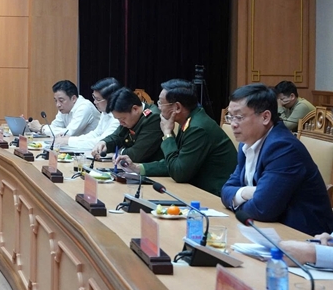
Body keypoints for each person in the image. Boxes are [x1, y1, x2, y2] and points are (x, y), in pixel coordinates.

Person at [220, 83, 333, 235]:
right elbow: (226, 190)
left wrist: (240, 201)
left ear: (265, 117)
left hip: (303, 235)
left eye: (239, 117)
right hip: (268, 229)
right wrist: (245, 192)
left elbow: (262, 208)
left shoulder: (283, 148)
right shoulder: (246, 145)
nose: (233, 124)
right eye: (230, 116)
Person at [115, 79, 236, 196]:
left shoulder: (198, 128)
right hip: (197, 188)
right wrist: (137, 168)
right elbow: (174, 162)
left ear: (177, 107)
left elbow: (179, 173)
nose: (159, 107)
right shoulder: (190, 120)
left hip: (214, 195)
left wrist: (167, 134)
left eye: (161, 103)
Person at [91, 87, 163, 163]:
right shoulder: (131, 118)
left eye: (122, 119)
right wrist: (104, 143)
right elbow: (117, 136)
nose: (120, 123)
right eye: (118, 119)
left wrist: (117, 153)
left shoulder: (153, 118)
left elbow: (136, 154)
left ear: (135, 109)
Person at [52, 77, 121, 149]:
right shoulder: (105, 113)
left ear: (111, 99)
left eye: (98, 99)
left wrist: (69, 141)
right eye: (94, 98)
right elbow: (95, 134)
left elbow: (101, 142)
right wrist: (69, 139)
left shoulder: (118, 118)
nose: (94, 102)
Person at [28, 80, 99, 136]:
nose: (58, 105)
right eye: (56, 101)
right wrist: (33, 127)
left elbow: (69, 133)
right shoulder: (64, 109)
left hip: (93, 148)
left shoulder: (84, 107)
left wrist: (41, 128)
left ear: (73, 98)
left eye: (61, 100)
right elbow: (54, 127)